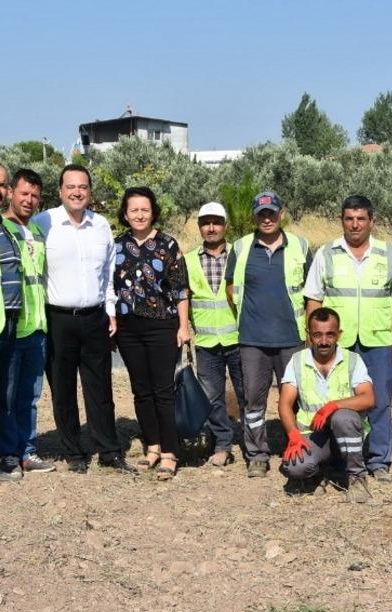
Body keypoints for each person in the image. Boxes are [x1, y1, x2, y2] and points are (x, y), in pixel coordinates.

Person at [304, 194, 392, 483]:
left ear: (371, 221)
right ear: (342, 220)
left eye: (361, 219)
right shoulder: (326, 254)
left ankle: (379, 460)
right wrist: (313, 340)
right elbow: (313, 299)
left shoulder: (389, 254)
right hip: (337, 344)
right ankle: (341, 459)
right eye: (349, 219)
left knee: (378, 401)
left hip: (376, 341)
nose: (355, 225)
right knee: (337, 401)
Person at [33, 166, 136, 474]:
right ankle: (74, 452)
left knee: (100, 388)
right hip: (58, 319)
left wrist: (110, 309)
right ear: (61, 190)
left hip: (94, 318)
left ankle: (108, 450)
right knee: (62, 390)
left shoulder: (101, 225)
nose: (77, 192)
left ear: (89, 191)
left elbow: (106, 274)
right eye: (70, 187)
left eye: (82, 187)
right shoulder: (43, 223)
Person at [225, 190, 312, 478]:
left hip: (292, 339)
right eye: (261, 214)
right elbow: (231, 290)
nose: (267, 219)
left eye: (272, 213)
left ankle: (299, 449)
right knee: (253, 400)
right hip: (252, 341)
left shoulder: (300, 246)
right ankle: (257, 455)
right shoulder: (240, 248)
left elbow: (313, 293)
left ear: (281, 214)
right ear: (254, 216)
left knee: (299, 399)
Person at [111, 187, 191, 479]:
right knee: (140, 391)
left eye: (145, 209)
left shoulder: (168, 245)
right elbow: (110, 288)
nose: (140, 215)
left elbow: (181, 289)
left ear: (153, 211)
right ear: (125, 213)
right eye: (134, 210)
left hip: (162, 325)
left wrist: (183, 326)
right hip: (128, 327)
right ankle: (153, 446)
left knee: (162, 391)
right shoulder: (116, 246)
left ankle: (170, 451)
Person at [0, 168, 55, 479]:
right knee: (6, 395)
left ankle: (27, 450)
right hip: (12, 327)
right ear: (10, 194)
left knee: (30, 395)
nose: (29, 200)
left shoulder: (38, 233)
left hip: (37, 327)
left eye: (34, 196)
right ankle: (6, 454)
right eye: (23, 194)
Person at [278, 308, 375, 503]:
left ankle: (357, 478)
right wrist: (293, 434)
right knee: (294, 467)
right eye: (317, 335)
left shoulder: (352, 360)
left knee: (343, 417)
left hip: (346, 434)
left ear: (339, 334)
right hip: (313, 435)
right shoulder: (297, 361)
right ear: (309, 335)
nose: (324, 341)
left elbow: (369, 398)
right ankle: (319, 472)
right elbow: (284, 403)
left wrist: (333, 405)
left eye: (330, 334)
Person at [185, 202, 245, 467]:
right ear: (199, 227)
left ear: (225, 225)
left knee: (248, 394)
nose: (211, 228)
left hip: (240, 339)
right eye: (206, 223)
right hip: (207, 342)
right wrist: (183, 328)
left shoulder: (240, 256)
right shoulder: (186, 260)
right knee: (212, 397)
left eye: (216, 222)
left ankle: (253, 443)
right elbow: (183, 298)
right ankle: (222, 444)